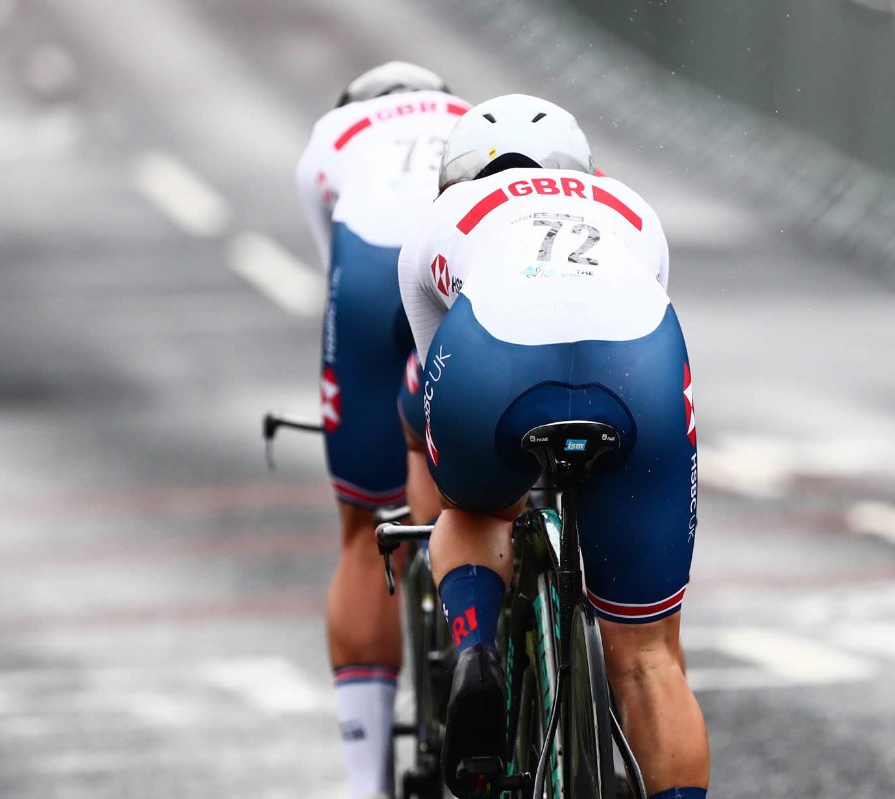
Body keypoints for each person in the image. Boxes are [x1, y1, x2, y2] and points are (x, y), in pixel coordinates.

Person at [397, 94, 709, 799]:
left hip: (492, 368)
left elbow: (427, 378)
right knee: (650, 657)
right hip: (636, 372)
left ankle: (476, 647)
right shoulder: (629, 207)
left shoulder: (440, 220)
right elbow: (628, 308)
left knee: (470, 509)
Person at [294, 61, 469, 799]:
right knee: (485, 492)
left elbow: (331, 265)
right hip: (459, 267)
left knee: (365, 529)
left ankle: (366, 785)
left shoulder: (332, 134)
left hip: (369, 276)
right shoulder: (473, 114)